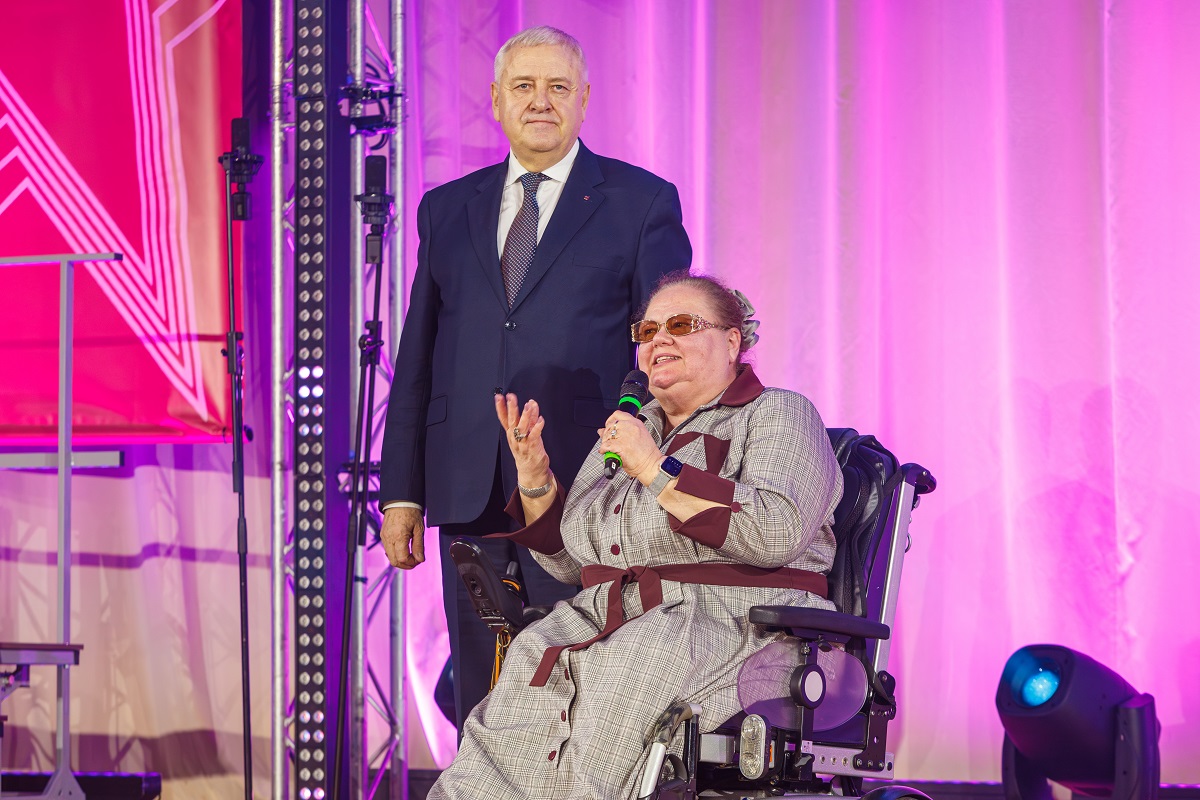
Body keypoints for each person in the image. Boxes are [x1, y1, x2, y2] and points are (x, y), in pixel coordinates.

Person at [378, 25, 692, 733]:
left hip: (584, 484)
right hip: (467, 481)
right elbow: (418, 355)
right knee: (477, 688)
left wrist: (642, 458)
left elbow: (664, 349)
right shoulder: (446, 208)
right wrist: (401, 492)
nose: (540, 101)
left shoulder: (641, 202)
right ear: (496, 100)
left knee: (569, 685)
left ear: (584, 100)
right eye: (524, 86)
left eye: (557, 87)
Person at [427, 273, 844, 799]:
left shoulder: (777, 412)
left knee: (615, 693)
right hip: (605, 621)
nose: (658, 338)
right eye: (647, 330)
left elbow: (775, 530)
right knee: (518, 689)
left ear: (732, 341)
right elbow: (575, 562)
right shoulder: (633, 426)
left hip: (726, 621)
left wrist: (653, 468)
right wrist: (534, 478)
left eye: (681, 325)